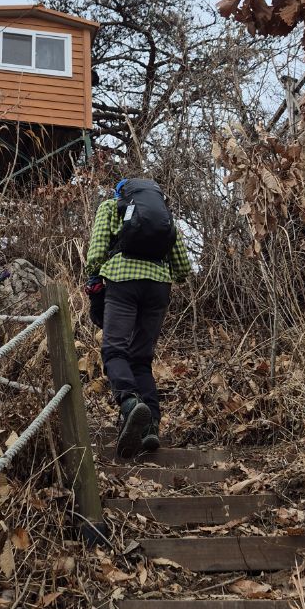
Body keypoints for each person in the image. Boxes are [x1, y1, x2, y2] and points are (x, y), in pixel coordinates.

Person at [84, 178, 191, 460]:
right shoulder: (164, 217)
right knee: (141, 358)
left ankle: (130, 403)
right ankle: (151, 426)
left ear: (121, 193)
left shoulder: (111, 207)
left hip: (122, 281)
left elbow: (96, 253)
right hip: (158, 287)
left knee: (114, 350)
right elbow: (183, 267)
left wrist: (95, 274)